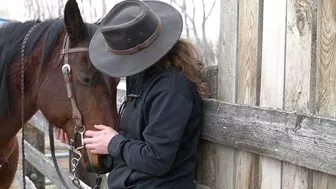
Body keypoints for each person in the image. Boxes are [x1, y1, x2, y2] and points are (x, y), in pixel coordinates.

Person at [56, 0, 209, 188]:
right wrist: (77, 134)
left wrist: (113, 143)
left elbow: (157, 159)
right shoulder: (143, 78)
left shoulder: (171, 90)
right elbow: (135, 136)